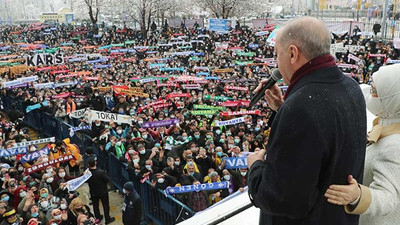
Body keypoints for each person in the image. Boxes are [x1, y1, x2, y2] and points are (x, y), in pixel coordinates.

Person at [247, 17, 367, 225]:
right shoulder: (351, 87)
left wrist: (255, 167)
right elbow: (321, 138)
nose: (277, 62)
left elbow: (284, 199)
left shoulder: (301, 107)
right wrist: (283, 107)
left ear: (293, 53)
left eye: (277, 54)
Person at [324, 64, 400, 225]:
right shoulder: (386, 126)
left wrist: (358, 196)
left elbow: (388, 198)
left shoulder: (394, 145)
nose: (370, 96)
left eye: (375, 91)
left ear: (392, 99)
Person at [86, 158, 115, 224]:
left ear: (88, 165)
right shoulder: (101, 172)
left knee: (95, 206)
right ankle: (107, 219)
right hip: (103, 191)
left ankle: (98, 217)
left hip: (93, 192)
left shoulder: (88, 174)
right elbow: (107, 180)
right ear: (95, 163)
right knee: (105, 205)